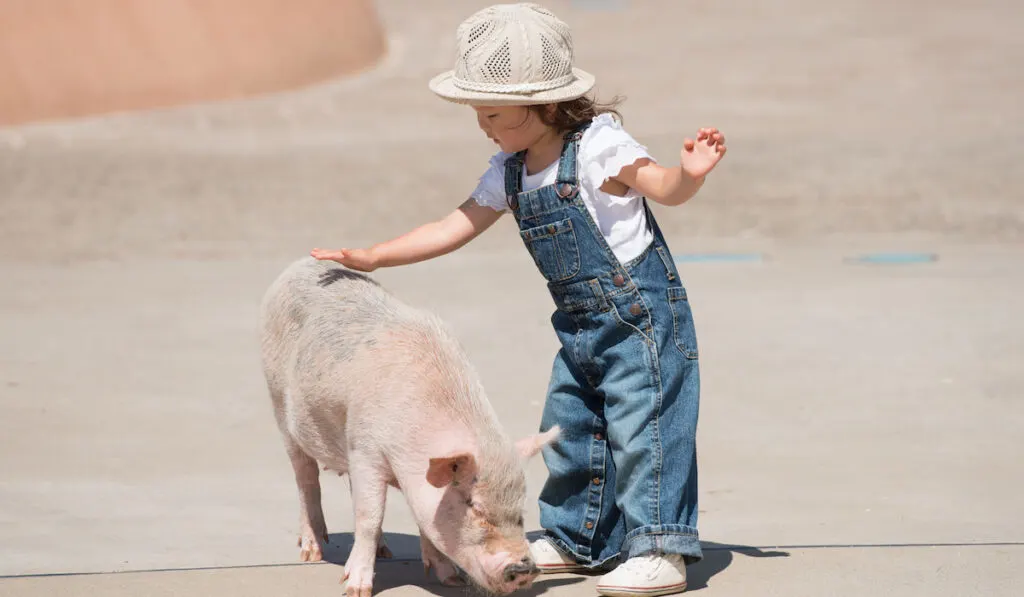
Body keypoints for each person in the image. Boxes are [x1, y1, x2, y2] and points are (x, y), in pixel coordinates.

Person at [311, 3, 726, 595]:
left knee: (645, 428)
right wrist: (376, 255)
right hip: (581, 325)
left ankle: (660, 546)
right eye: (479, 114)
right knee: (571, 424)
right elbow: (454, 224)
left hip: (640, 320)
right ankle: (577, 538)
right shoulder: (510, 170)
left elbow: (662, 185)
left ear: (547, 106)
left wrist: (690, 173)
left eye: (495, 114)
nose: (485, 126)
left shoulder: (600, 146)